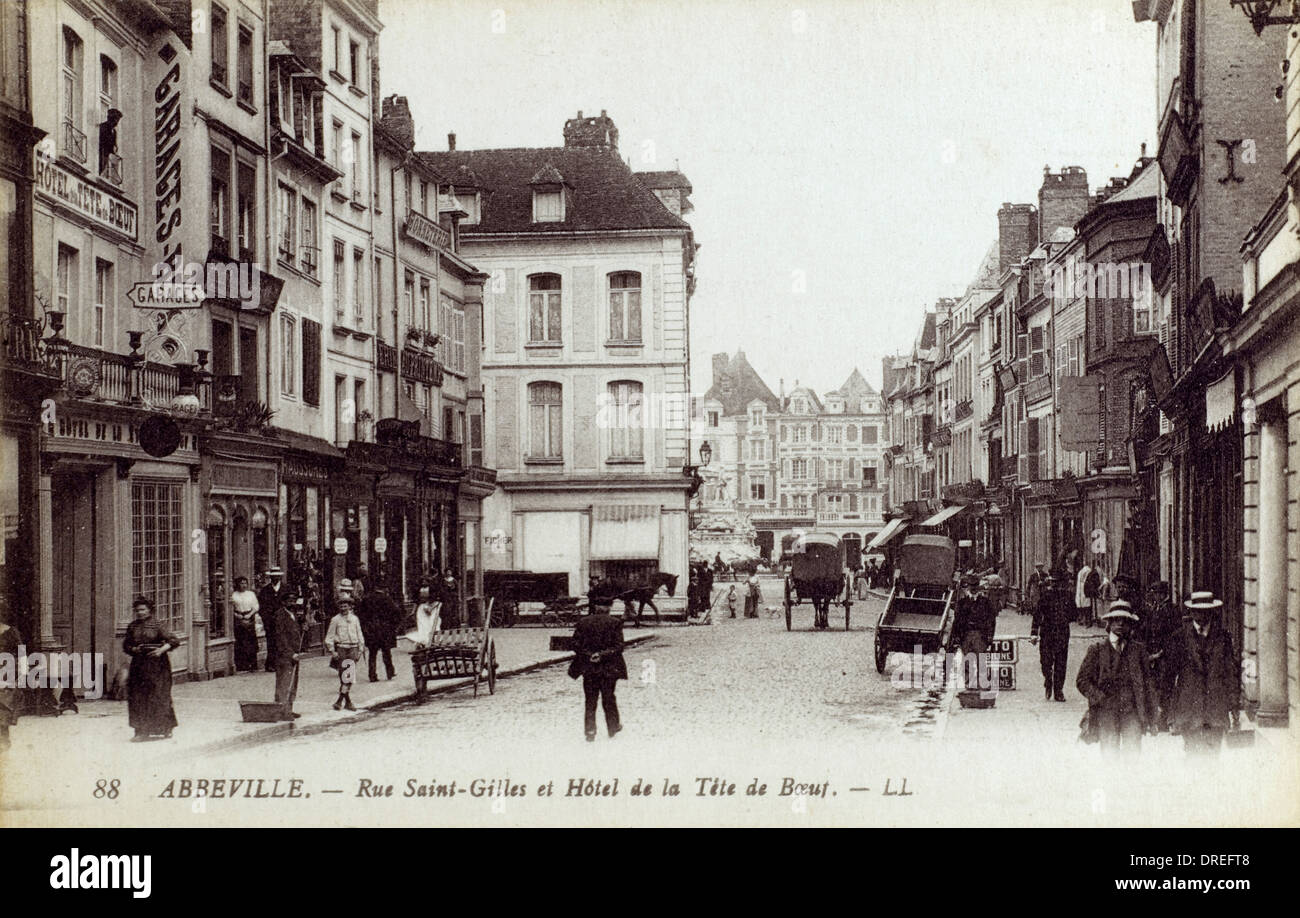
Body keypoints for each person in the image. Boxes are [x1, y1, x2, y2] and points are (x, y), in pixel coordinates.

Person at [1076, 600, 1156, 755]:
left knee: (1132, 754)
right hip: (1106, 711)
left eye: (1125, 621)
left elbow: (1148, 683)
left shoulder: (1138, 650)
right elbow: (1082, 681)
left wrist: (1152, 716)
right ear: (1109, 623)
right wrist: (1098, 697)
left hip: (1132, 711)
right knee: (1109, 753)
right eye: (1116, 620)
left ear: (1130, 625)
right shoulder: (1097, 650)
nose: (1120, 624)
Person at [1169, 591, 1240, 757]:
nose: (1201, 614)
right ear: (1191, 612)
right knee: (1192, 755)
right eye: (1197, 610)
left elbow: (1231, 673)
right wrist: (1170, 713)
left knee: (1213, 756)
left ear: (1212, 612)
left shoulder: (1223, 637)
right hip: (1189, 708)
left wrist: (1234, 704)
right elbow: (1169, 677)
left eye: (1206, 610)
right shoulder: (1179, 637)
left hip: (1216, 708)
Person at [122, 596, 182, 741]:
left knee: (158, 695)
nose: (140, 613)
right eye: (137, 610)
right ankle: (141, 731)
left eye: (143, 609)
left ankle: (164, 728)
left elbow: (174, 641)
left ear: (150, 610)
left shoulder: (158, 625)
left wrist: (160, 650)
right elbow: (126, 646)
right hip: (139, 665)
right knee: (137, 697)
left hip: (157, 665)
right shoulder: (132, 626)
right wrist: (134, 649)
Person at [567, 599, 627, 741]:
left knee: (590, 700)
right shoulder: (615, 623)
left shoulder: (583, 622)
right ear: (609, 608)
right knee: (609, 698)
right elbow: (619, 647)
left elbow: (575, 644)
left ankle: (590, 731)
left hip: (589, 668)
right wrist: (602, 655)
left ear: (595, 607)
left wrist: (590, 655)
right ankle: (612, 727)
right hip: (608, 668)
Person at [1142, 581, 1182, 731]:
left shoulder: (1172, 610)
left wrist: (1163, 652)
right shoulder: (1154, 609)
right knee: (1154, 686)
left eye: (1159, 593)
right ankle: (1157, 719)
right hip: (1154, 654)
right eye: (1155, 593)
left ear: (1165, 594)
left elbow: (1174, 635)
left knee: (1166, 687)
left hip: (1167, 655)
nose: (1156, 596)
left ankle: (1165, 720)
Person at [1030, 570, 1072, 702]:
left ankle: (1058, 690)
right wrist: (1033, 632)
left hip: (1062, 633)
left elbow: (1074, 613)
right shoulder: (1045, 596)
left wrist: (1064, 619)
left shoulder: (1068, 597)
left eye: (1057, 583)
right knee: (1045, 662)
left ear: (1061, 584)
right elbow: (1037, 614)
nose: (1054, 585)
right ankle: (1048, 680)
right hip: (1047, 632)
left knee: (1061, 662)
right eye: (1052, 583)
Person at [325, 596, 366, 711]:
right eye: (341, 606)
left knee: (348, 675)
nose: (343, 608)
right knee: (344, 676)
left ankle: (341, 701)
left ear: (350, 607)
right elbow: (329, 637)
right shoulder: (335, 620)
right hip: (342, 648)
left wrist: (361, 649)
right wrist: (332, 651)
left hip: (353, 648)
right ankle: (346, 701)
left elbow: (360, 634)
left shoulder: (355, 619)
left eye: (345, 606)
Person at [356, 577, 401, 681]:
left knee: (372, 653)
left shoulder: (366, 599)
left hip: (371, 629)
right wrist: (393, 626)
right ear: (383, 588)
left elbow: (360, 615)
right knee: (386, 652)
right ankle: (390, 672)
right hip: (385, 629)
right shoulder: (386, 599)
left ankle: (372, 675)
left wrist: (365, 627)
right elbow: (397, 613)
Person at [272, 589, 304, 720]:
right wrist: (290, 653)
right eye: (289, 600)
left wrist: (303, 627)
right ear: (284, 602)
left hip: (294, 654)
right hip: (284, 656)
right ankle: (282, 710)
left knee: (292, 682)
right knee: (284, 682)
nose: (292, 603)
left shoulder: (293, 614)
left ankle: (289, 708)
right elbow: (281, 637)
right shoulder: (280, 615)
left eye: (294, 600)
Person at [256, 568, 287, 672]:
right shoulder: (265, 590)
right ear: (270, 577)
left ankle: (282, 663)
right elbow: (261, 606)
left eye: (277, 576)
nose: (275, 578)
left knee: (283, 641)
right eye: (273, 577)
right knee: (271, 642)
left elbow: (290, 604)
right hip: (270, 621)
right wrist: (267, 618)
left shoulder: (286, 588)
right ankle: (271, 664)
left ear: (280, 577)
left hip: (283, 620)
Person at [229, 576, 259, 672]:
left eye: (245, 583)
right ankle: (242, 665)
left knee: (251, 640)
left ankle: (252, 664)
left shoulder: (251, 594)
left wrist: (249, 615)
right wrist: (237, 615)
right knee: (240, 641)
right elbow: (230, 607)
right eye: (241, 583)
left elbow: (256, 606)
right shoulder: (234, 595)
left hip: (249, 616)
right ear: (238, 584)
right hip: (238, 617)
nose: (244, 585)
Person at [0, 615, 21, 749]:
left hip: (7, 674)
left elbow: (22, 654)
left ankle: (3, 739)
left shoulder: (11, 632)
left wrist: (22, 674)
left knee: (4, 707)